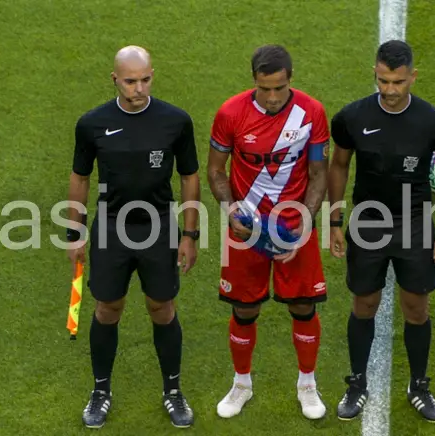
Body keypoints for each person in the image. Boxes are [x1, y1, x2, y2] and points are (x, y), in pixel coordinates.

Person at [66, 45, 200, 429]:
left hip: (159, 225)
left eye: (145, 79)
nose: (138, 88)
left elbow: (189, 176)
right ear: (114, 80)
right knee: (108, 308)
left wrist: (189, 234)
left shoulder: (175, 121)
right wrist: (75, 232)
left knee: (162, 308)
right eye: (130, 81)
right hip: (111, 226)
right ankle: (101, 391)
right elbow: (80, 177)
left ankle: (173, 391)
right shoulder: (91, 124)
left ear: (152, 75)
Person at [327, 40, 435, 423]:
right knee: (364, 303)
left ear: (412, 77)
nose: (389, 89)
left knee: (416, 308)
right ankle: (356, 384)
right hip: (367, 220)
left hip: (415, 222)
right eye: (383, 81)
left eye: (398, 82)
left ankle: (419, 385)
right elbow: (338, 166)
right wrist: (335, 221)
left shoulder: (433, 121)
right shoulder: (351, 117)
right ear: (375, 73)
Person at [207, 44, 330, 420]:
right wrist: (231, 212)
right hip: (245, 229)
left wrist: (305, 224)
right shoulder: (230, 113)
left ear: (290, 78)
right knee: (245, 308)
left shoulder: (311, 113)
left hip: (295, 224)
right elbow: (215, 170)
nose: (273, 97)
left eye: (279, 87)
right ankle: (241, 383)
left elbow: (318, 172)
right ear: (254, 82)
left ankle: (307, 383)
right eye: (265, 89)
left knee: (302, 304)